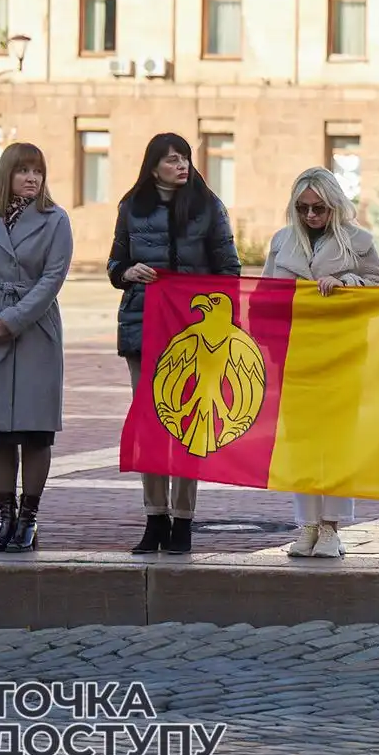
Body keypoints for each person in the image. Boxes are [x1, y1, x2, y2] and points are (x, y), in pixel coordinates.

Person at [109, 133, 241, 555]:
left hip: (195, 332)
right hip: (143, 326)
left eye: (185, 158)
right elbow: (115, 264)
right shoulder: (131, 207)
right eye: (172, 160)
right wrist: (129, 274)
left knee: (189, 423)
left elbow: (229, 270)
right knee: (152, 422)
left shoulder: (207, 206)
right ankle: (155, 517)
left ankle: (183, 520)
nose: (182, 165)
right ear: (153, 167)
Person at [264, 167, 379, 559]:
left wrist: (349, 283)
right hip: (296, 352)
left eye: (319, 208)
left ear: (334, 205)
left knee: (336, 441)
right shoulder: (283, 242)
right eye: (303, 208)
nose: (311, 216)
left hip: (342, 352)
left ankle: (332, 526)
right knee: (301, 442)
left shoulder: (359, 241)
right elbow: (265, 295)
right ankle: (307, 525)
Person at [0, 143, 74, 553]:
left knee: (35, 432)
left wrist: (13, 319)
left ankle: (29, 518)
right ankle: (4, 518)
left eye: (38, 171)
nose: (32, 178)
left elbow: (53, 278)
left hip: (36, 332)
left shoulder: (56, 219)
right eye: (23, 170)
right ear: (5, 174)